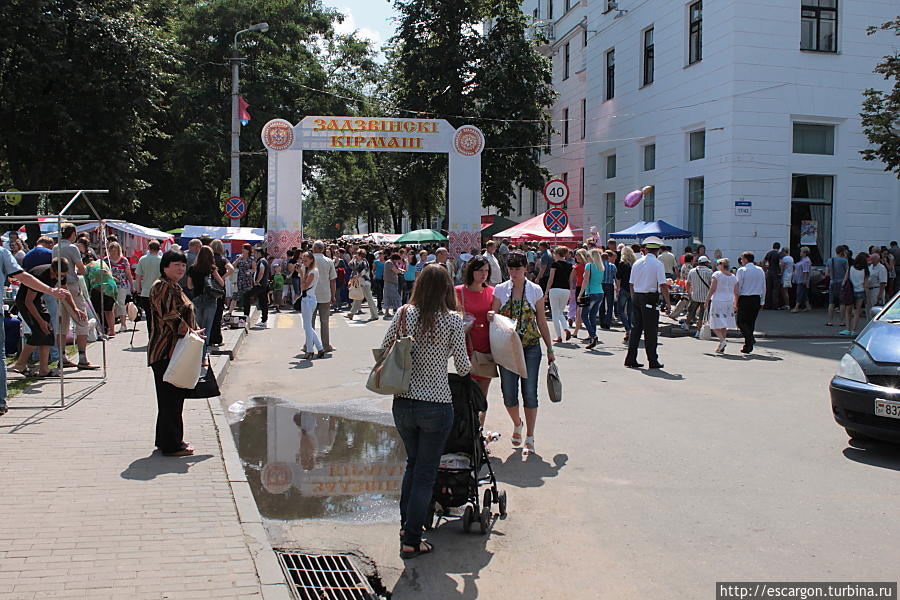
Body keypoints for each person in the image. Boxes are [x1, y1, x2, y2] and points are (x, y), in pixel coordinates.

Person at [383, 265, 470, 559]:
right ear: (447, 288)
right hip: (436, 404)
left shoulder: (404, 314)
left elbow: (383, 350)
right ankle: (412, 539)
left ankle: (405, 525)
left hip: (403, 402)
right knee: (425, 473)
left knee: (412, 464)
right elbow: (463, 366)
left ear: (419, 285)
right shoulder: (453, 321)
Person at [491, 252, 554, 455]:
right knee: (509, 393)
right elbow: (493, 319)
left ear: (526, 268)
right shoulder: (500, 290)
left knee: (530, 393)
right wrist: (492, 315)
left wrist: (550, 348)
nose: (514, 273)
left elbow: (542, 322)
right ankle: (517, 423)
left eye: (518, 269)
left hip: (530, 347)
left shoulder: (535, 290)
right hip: (507, 349)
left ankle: (530, 436)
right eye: (511, 269)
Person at [148, 250, 203, 457]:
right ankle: (172, 445)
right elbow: (169, 316)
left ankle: (166, 440)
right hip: (166, 350)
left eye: (182, 265)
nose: (180, 268)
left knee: (171, 399)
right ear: (165, 267)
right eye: (176, 265)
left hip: (175, 349)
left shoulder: (173, 286)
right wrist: (190, 332)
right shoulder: (162, 286)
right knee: (171, 399)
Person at [10, 258, 84, 378]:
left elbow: (66, 292)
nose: (58, 279)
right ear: (52, 269)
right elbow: (28, 302)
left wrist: (75, 309)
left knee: (48, 334)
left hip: (38, 301)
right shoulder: (40, 275)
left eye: (62, 276)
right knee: (39, 333)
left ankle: (43, 369)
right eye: (56, 275)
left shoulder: (61, 273)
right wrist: (40, 321)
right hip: (25, 302)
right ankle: (20, 365)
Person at [53, 224, 99, 369]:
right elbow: (81, 269)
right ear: (72, 233)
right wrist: (85, 268)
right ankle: (82, 357)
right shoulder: (72, 248)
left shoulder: (55, 247)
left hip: (59, 286)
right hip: (72, 285)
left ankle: (62, 357)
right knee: (82, 320)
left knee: (63, 322)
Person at [624, 236, 671, 369]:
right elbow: (662, 285)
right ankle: (652, 360)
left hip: (637, 296)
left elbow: (631, 284)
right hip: (649, 297)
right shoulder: (657, 264)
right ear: (657, 250)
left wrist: (634, 298)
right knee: (651, 330)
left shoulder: (637, 263)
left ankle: (630, 358)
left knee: (636, 329)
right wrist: (667, 303)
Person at [455, 256, 495, 408]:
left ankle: (479, 428)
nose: (483, 274)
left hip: (486, 347)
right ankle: (467, 429)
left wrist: (494, 316)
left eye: (486, 270)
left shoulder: (492, 292)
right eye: (479, 270)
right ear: (471, 271)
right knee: (466, 394)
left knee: (482, 396)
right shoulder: (458, 291)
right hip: (465, 347)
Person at [185, 246, 224, 356]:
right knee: (207, 328)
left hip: (197, 299)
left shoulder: (192, 268)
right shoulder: (211, 269)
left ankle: (197, 355)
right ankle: (203, 357)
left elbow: (189, 285)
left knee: (198, 328)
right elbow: (221, 283)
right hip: (210, 300)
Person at [734, 252, 765, 354]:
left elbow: (738, 286)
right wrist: (762, 300)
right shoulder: (760, 270)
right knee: (750, 323)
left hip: (745, 298)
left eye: (742, 259)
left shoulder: (742, 270)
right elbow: (764, 286)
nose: (741, 261)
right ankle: (748, 346)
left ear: (746, 259)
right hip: (756, 298)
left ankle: (750, 339)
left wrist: (736, 301)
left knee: (740, 321)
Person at [705, 258, 738, 353]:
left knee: (713, 323)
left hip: (718, 300)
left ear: (721, 265)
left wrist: (707, 300)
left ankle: (722, 340)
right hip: (729, 301)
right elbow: (736, 292)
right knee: (724, 324)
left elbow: (712, 288)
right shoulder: (733, 277)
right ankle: (721, 344)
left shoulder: (717, 274)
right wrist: (735, 303)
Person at [297, 251, 325, 359]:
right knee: (307, 326)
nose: (303, 263)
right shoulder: (308, 270)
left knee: (307, 326)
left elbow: (303, 287)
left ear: (311, 260)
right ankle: (320, 348)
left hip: (309, 300)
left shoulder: (313, 271)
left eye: (306, 260)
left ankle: (309, 350)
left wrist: (301, 275)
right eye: (303, 260)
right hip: (307, 299)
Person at [311, 241, 338, 351]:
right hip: (325, 294)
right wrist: (333, 295)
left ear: (313, 249)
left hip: (310, 294)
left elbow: (302, 277)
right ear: (323, 249)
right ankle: (326, 345)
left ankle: (308, 344)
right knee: (324, 321)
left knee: (310, 322)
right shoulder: (329, 261)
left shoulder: (309, 260)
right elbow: (333, 280)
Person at [578, 248, 605, 350]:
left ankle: (593, 335)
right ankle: (592, 337)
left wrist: (580, 294)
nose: (587, 258)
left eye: (588, 256)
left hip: (591, 293)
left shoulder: (589, 266)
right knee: (592, 315)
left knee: (584, 315)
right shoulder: (601, 267)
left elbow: (585, 281)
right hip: (600, 292)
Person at [208, 239, 234, 346]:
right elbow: (231, 269)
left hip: (209, 287)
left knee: (209, 314)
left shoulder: (209, 259)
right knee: (218, 313)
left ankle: (208, 338)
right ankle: (217, 338)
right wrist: (223, 277)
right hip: (219, 288)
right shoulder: (223, 259)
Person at [545, 246, 573, 343]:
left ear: (557, 254)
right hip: (566, 290)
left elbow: (551, 279)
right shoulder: (570, 265)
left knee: (555, 313)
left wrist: (546, 292)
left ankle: (559, 336)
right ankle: (565, 328)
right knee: (560, 312)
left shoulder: (555, 264)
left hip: (555, 289)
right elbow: (570, 280)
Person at [135, 240, 163, 338]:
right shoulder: (162, 260)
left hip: (146, 292)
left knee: (149, 316)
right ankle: (158, 335)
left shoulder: (142, 260)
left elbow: (138, 276)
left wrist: (138, 289)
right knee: (159, 316)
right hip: (159, 292)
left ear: (148, 248)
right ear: (159, 249)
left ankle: (151, 336)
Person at [105, 242, 134, 334]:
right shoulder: (106, 260)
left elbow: (128, 273)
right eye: (112, 250)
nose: (113, 252)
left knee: (121, 303)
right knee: (110, 306)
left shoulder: (124, 260)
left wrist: (132, 285)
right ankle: (111, 326)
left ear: (119, 250)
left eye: (115, 250)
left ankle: (123, 324)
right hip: (110, 285)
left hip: (122, 285)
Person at [841, 253, 870, 336]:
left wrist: (843, 289)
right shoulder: (865, 270)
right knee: (857, 311)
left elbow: (845, 280)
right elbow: (866, 285)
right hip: (860, 291)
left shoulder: (850, 268)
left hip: (850, 291)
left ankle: (847, 329)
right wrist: (867, 297)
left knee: (848, 310)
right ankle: (854, 330)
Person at [347, 248, 378, 321]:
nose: (356, 255)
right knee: (358, 298)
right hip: (359, 282)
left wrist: (358, 275)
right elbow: (350, 265)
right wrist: (353, 259)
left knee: (369, 298)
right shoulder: (356, 261)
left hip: (365, 282)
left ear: (360, 255)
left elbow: (365, 270)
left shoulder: (364, 262)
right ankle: (351, 313)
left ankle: (374, 315)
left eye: (357, 253)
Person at [615, 246, 636, 342]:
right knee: (630, 311)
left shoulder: (622, 263)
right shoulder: (635, 264)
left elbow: (618, 277)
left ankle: (628, 329)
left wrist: (618, 288)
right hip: (633, 288)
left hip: (623, 288)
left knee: (620, 311)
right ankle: (629, 330)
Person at [685, 255, 713, 329]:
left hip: (695, 295)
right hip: (706, 297)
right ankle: (699, 329)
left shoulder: (692, 271)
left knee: (691, 311)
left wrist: (689, 293)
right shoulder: (709, 272)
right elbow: (712, 284)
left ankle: (686, 325)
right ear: (706, 263)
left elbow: (688, 283)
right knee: (702, 314)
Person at [825, 245, 849, 327]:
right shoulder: (844, 261)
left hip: (832, 282)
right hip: (841, 282)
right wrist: (844, 281)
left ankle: (830, 321)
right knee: (842, 303)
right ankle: (841, 321)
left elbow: (826, 273)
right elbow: (847, 272)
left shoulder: (829, 260)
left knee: (831, 302)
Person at [569, 248, 587, 338]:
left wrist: (570, 288)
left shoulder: (577, 266)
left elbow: (571, 278)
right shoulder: (588, 265)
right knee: (585, 309)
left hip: (579, 287)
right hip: (587, 287)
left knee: (579, 309)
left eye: (577, 254)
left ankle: (576, 330)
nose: (575, 256)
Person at [233, 244, 255, 315]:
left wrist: (250, 271)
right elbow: (233, 266)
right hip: (239, 279)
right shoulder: (239, 257)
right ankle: (232, 310)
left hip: (247, 280)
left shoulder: (251, 259)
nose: (242, 250)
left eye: (244, 249)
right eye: (242, 249)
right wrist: (238, 259)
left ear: (248, 250)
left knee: (246, 297)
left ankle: (246, 314)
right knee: (236, 295)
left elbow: (254, 269)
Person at [383, 251, 404, 318]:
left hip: (392, 282)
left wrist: (401, 269)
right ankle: (397, 312)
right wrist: (401, 271)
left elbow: (397, 268)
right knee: (394, 297)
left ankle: (387, 312)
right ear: (395, 259)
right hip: (389, 282)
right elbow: (396, 271)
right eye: (398, 260)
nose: (398, 261)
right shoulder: (389, 263)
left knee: (390, 297)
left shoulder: (392, 262)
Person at [599, 252, 617, 329]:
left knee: (601, 304)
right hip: (610, 285)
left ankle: (602, 322)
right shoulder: (612, 266)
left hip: (601, 285)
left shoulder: (599, 266)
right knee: (610, 305)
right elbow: (616, 277)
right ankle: (608, 322)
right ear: (608, 258)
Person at [791, 246, 812, 312]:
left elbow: (806, 271)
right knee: (804, 293)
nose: (800, 253)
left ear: (805, 253)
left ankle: (796, 307)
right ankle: (808, 306)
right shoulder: (803, 260)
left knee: (799, 293)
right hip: (800, 278)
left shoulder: (806, 261)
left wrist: (805, 281)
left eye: (801, 252)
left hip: (802, 279)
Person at [763, 242, 782, 310]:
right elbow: (780, 264)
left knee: (768, 289)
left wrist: (765, 270)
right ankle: (775, 305)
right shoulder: (779, 254)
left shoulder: (769, 253)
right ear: (779, 247)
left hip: (769, 272)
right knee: (775, 289)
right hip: (776, 272)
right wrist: (781, 272)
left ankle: (767, 305)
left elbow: (764, 261)